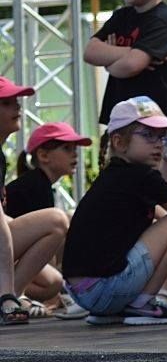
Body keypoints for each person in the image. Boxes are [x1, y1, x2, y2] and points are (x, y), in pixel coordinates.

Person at [61, 96, 167, 326]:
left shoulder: (114, 176)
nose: (159, 143)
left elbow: (162, 221)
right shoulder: (141, 176)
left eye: (162, 136)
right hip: (104, 290)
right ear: (119, 142)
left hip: (82, 293)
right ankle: (143, 303)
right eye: (149, 135)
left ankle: (119, 308)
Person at [83, 0, 167, 304]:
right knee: (125, 200)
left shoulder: (162, 21)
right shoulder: (122, 17)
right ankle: (127, 278)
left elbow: (126, 67)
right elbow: (91, 51)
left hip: (161, 124)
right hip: (126, 125)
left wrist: (116, 56)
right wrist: (127, 54)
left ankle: (165, 288)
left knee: (165, 200)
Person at [0, 77, 69, 325]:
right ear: (43, 155)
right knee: (57, 220)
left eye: (16, 102)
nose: (17, 107)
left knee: (53, 281)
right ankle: (8, 297)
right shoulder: (35, 184)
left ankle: (13, 296)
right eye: (6, 103)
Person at [5, 122, 91, 218]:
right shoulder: (37, 187)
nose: (75, 154)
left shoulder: (36, 181)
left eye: (75, 148)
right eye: (67, 148)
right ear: (43, 156)